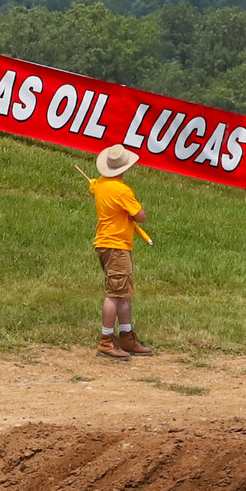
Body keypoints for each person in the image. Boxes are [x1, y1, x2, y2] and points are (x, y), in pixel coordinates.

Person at [88, 143, 154, 360]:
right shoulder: (122, 190)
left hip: (108, 244)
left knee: (123, 292)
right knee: (115, 294)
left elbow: (95, 187)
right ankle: (106, 341)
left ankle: (126, 336)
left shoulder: (101, 185)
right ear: (123, 168)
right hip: (116, 245)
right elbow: (141, 215)